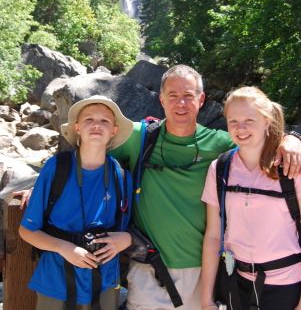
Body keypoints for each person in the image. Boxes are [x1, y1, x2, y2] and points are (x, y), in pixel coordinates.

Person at [16, 66, 301, 310]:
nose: (181, 104)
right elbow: (91, 154)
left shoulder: (221, 143)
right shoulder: (139, 137)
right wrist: (39, 183)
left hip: (205, 271)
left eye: (188, 96)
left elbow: (256, 140)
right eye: (173, 96)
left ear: (201, 100)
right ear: (161, 100)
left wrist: (291, 137)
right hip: (148, 270)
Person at [19, 95, 134, 310]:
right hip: (56, 278)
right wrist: (65, 247)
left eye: (105, 121)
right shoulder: (56, 168)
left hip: (104, 282)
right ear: (77, 128)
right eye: (89, 119)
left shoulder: (122, 176)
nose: (97, 125)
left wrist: (127, 238)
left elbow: (129, 226)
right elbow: (27, 231)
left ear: (114, 131)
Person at [201, 87, 301, 310]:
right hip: (236, 283)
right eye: (233, 121)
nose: (241, 128)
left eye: (249, 119)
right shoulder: (220, 168)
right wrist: (206, 298)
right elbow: (213, 236)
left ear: (267, 121)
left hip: (286, 286)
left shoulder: (291, 167)